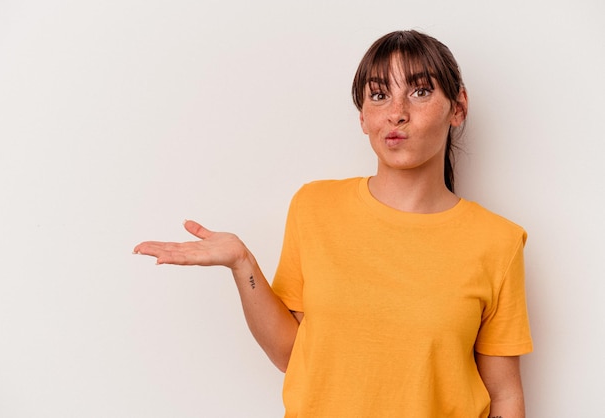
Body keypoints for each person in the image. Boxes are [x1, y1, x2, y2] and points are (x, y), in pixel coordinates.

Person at [133, 30, 532, 418]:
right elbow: (291, 354)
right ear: (363, 116)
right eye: (379, 95)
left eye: (420, 91)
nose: (397, 113)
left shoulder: (497, 241)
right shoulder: (315, 207)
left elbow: (505, 396)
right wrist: (243, 264)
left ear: (458, 107)